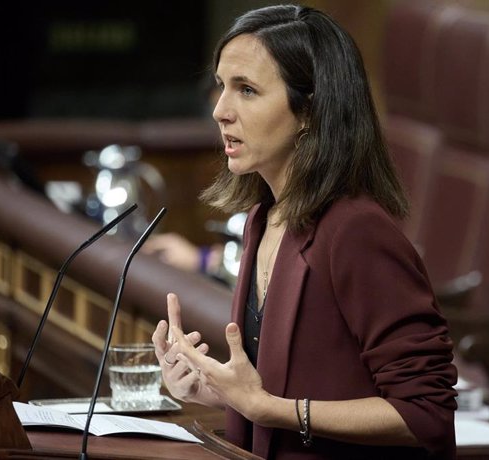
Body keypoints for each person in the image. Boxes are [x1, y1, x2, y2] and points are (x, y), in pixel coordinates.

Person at [152, 4, 457, 459]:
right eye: (221, 87)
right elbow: (284, 390)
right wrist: (211, 388)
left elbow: (426, 414)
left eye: (247, 90)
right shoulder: (263, 216)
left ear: (310, 111)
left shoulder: (358, 231)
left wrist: (270, 408)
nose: (220, 111)